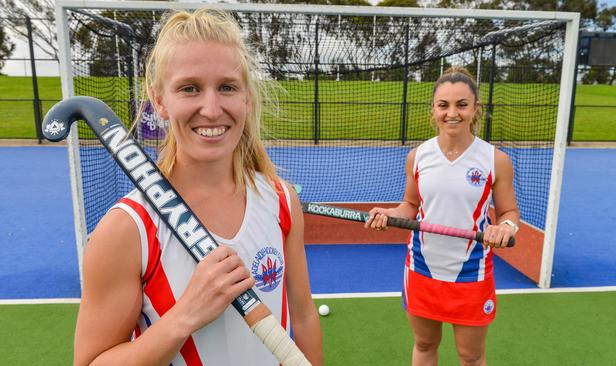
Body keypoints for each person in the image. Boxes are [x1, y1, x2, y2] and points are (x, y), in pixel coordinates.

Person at [73, 8, 323, 366]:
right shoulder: (128, 229)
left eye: (227, 87)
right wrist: (185, 315)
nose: (211, 108)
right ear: (159, 100)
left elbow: (303, 316)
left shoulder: (281, 200)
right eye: (190, 88)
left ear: (246, 98)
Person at [365, 66, 519, 366]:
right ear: (433, 110)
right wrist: (389, 214)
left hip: (471, 273)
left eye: (462, 105)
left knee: (471, 356)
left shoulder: (495, 160)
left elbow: (509, 213)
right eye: (443, 105)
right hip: (422, 268)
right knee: (424, 344)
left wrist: (506, 228)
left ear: (476, 109)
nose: (452, 113)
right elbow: (409, 205)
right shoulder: (418, 156)